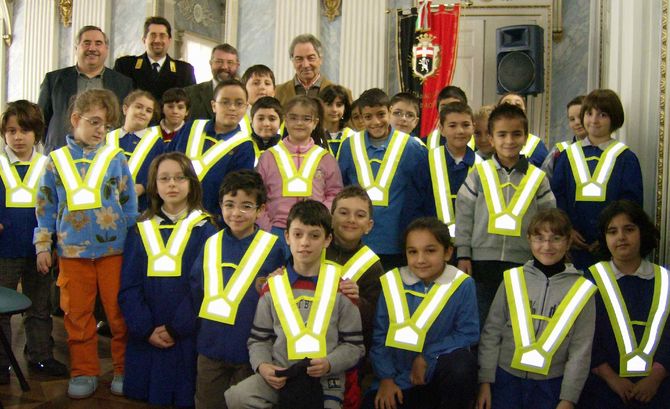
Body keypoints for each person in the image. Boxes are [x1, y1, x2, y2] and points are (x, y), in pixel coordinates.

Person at [33, 89, 138, 399]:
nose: (99, 130)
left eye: (104, 125)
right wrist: (43, 245)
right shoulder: (55, 161)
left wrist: (133, 246)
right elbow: (45, 208)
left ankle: (122, 368)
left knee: (118, 313)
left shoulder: (115, 158)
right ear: (75, 120)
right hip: (71, 253)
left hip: (114, 251)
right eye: (94, 122)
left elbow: (129, 203)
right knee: (76, 314)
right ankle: (83, 370)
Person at [224, 200, 365, 409]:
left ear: (327, 240)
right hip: (282, 375)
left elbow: (355, 346)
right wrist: (263, 367)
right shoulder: (273, 287)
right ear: (287, 237)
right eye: (298, 234)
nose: (305, 242)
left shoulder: (341, 289)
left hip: (326, 379)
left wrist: (329, 363)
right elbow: (258, 340)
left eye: (314, 235)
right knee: (236, 396)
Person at [118, 152, 217, 407]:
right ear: (154, 185)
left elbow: (205, 286)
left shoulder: (206, 229)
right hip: (147, 335)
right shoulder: (139, 228)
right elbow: (129, 287)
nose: (172, 184)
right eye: (164, 178)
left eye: (179, 178)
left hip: (186, 333)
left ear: (192, 183)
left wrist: (177, 327)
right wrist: (145, 328)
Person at [477, 209, 596, 409]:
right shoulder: (511, 279)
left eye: (556, 238)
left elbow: (580, 350)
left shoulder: (583, 290)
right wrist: (485, 381)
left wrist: (568, 398)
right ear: (529, 239)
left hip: (551, 385)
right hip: (506, 379)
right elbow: (491, 332)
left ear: (568, 242)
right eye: (539, 238)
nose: (547, 246)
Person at [190, 169, 285, 409]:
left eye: (246, 206)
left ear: (261, 210)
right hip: (210, 346)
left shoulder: (274, 248)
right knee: (206, 403)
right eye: (229, 205)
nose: (236, 213)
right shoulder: (211, 243)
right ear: (220, 206)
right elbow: (196, 287)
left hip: (249, 351)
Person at [362, 217, 479, 409]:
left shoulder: (463, 284)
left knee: (462, 365)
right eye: (412, 252)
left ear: (448, 252)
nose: (420, 259)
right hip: (398, 379)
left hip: (436, 377)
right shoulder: (392, 283)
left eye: (430, 251)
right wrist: (386, 379)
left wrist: (427, 357)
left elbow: (468, 333)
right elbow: (380, 338)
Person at [455, 103, 556, 322]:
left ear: (526, 138)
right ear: (491, 139)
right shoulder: (478, 174)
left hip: (524, 262)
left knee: (516, 321)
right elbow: (464, 215)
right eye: (502, 135)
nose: (509, 141)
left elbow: (549, 219)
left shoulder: (538, 179)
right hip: (481, 263)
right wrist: (463, 253)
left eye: (516, 134)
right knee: (482, 319)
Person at [579, 200, 670, 409]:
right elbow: (583, 337)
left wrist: (656, 376)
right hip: (603, 389)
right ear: (604, 238)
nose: (621, 237)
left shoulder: (665, 280)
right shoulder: (590, 280)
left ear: (642, 232)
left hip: (658, 388)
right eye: (612, 231)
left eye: (629, 229)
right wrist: (612, 379)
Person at [0, 101, 66, 384]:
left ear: (36, 133)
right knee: (1, 310)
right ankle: (1, 364)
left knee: (39, 306)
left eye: (25, 130)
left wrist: (50, 243)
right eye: (12, 130)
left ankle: (40, 355)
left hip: (39, 249)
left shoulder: (49, 165)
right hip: (4, 250)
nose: (18, 137)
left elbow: (59, 204)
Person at [337, 88, 431, 271]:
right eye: (368, 117)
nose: (376, 122)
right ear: (361, 118)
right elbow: (341, 188)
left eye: (381, 114)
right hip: (356, 241)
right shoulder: (349, 146)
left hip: (396, 242)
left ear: (390, 112)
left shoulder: (412, 147)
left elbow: (422, 194)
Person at [551, 89, 643, 271]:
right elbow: (557, 195)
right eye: (589, 113)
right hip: (573, 241)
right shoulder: (567, 156)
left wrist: (609, 235)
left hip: (611, 244)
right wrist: (567, 229)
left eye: (602, 115)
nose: (594, 120)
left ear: (614, 119)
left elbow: (631, 202)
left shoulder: (625, 158)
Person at [257, 96, 343, 252]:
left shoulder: (326, 158)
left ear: (315, 123)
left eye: (306, 119)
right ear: (285, 120)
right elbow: (258, 195)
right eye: (293, 118)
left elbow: (334, 194)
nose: (299, 123)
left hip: (313, 230)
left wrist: (321, 218)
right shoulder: (268, 157)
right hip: (276, 230)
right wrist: (266, 227)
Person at [328, 185, 385, 408]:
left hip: (347, 349)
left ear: (369, 226)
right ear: (330, 217)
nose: (351, 219)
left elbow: (376, 320)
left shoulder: (373, 266)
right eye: (343, 212)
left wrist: (358, 302)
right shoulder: (313, 246)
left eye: (360, 215)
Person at [167, 79, 255, 217]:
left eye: (239, 103)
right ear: (214, 106)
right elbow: (166, 160)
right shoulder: (191, 127)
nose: (232, 108)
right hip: (170, 209)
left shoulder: (244, 146)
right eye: (225, 102)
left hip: (209, 218)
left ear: (246, 108)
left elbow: (235, 190)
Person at [38, 25, 133, 153]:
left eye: (98, 43)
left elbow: (125, 123)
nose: (92, 48)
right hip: (60, 155)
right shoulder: (53, 79)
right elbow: (40, 120)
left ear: (106, 49)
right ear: (76, 48)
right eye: (86, 43)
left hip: (105, 157)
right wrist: (52, 143)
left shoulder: (123, 83)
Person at [428, 102, 481, 237]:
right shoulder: (427, 161)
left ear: (473, 127)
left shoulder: (482, 166)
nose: (460, 131)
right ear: (441, 129)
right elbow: (416, 205)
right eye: (452, 126)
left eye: (465, 125)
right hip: (433, 240)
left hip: (472, 241)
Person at [114, 17, 196, 102]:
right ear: (144, 39)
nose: (157, 40)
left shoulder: (185, 71)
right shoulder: (125, 66)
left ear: (169, 40)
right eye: (153, 35)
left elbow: (190, 105)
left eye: (162, 35)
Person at [107, 90, 164, 211]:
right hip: (107, 205)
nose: (143, 112)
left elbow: (160, 173)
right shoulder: (107, 138)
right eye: (138, 107)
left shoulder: (157, 143)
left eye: (148, 111)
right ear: (125, 109)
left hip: (141, 206)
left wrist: (144, 187)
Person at [275, 34, 352, 105]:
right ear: (292, 61)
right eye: (299, 59)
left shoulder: (344, 94)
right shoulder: (276, 92)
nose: (305, 65)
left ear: (320, 59)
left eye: (311, 58)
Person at [185, 43, 240, 121]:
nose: (224, 67)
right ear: (211, 64)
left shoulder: (246, 96)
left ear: (237, 66)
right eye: (219, 61)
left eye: (230, 62)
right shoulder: (189, 93)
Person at [541, 96, 588, 181]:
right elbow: (543, 179)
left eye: (581, 116)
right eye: (572, 119)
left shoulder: (603, 149)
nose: (577, 122)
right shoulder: (559, 150)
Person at [497, 92, 549, 167]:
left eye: (518, 105)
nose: (512, 108)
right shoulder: (486, 142)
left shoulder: (536, 146)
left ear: (525, 113)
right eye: (506, 104)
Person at [425, 85, 472, 150]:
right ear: (437, 110)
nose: (448, 111)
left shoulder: (479, 143)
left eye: (455, 106)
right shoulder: (424, 143)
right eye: (443, 107)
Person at [318, 85, 353, 158]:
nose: (334, 109)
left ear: (345, 108)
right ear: (320, 107)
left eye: (339, 105)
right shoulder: (314, 136)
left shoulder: (352, 136)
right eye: (329, 104)